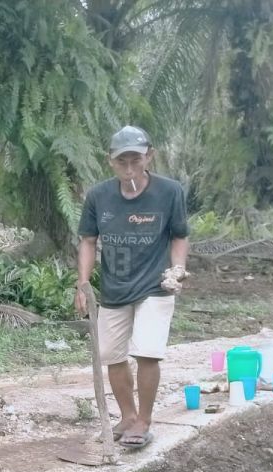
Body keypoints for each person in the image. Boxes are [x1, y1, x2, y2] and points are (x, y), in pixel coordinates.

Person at [76, 125, 190, 450]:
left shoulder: (169, 192)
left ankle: (144, 420)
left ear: (148, 156)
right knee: (112, 355)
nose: (129, 169)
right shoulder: (99, 196)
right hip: (114, 288)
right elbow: (87, 240)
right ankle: (126, 415)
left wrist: (178, 268)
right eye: (122, 162)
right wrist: (83, 283)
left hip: (155, 285)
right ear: (110, 161)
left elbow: (180, 234)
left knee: (147, 352)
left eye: (135, 161)